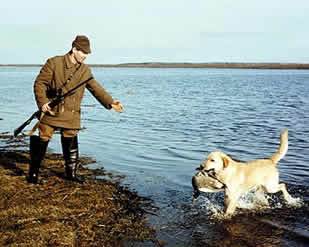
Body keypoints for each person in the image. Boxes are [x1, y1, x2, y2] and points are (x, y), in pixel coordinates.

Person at [28, 35, 123, 184]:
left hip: (72, 113)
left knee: (71, 138)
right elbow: (40, 83)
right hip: (51, 110)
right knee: (43, 137)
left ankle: (71, 174)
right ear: (74, 49)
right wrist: (43, 103)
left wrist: (110, 103)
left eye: (87, 54)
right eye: (83, 53)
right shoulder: (54, 63)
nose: (85, 56)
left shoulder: (85, 70)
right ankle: (33, 174)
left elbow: (95, 88)